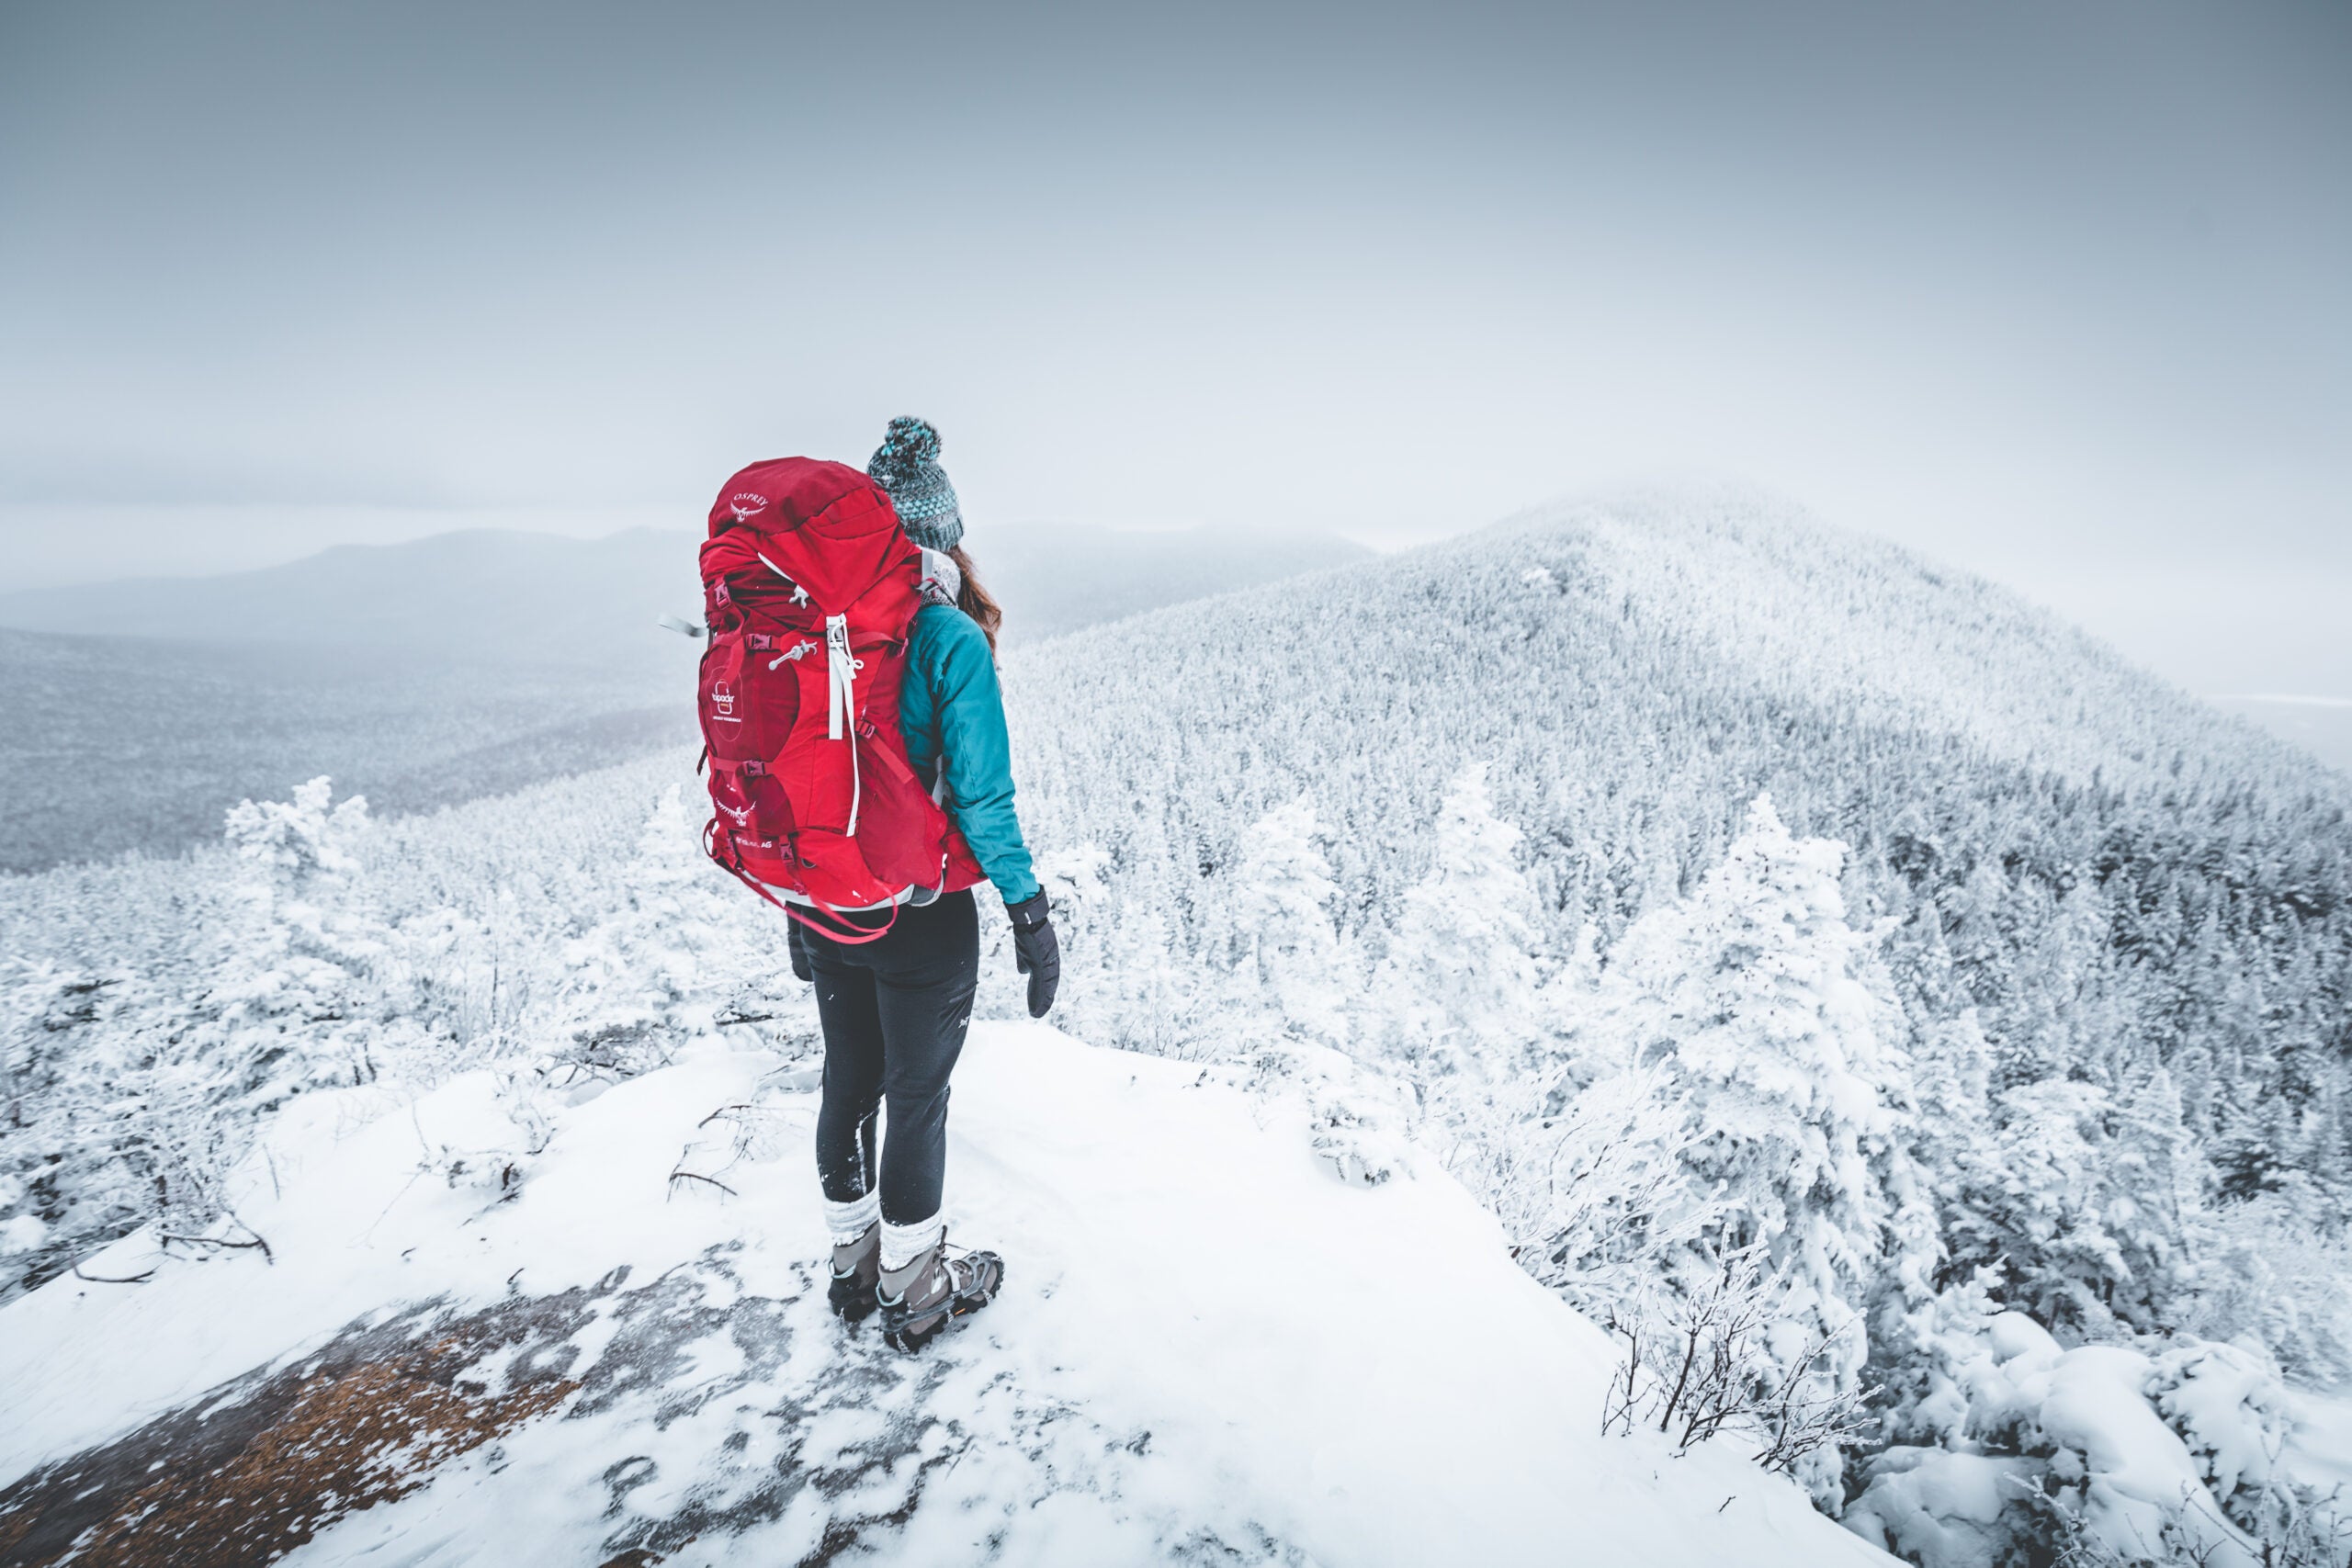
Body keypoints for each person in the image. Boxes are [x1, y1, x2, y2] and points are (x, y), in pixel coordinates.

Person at [794, 415, 1059, 1354]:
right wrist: (1027, 910)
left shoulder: (812, 624)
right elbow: (983, 799)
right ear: (943, 532)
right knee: (916, 1096)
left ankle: (851, 1269)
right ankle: (916, 1289)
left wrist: (798, 903)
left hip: (827, 899)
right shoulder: (946, 636)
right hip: (920, 913)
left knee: (847, 1079)